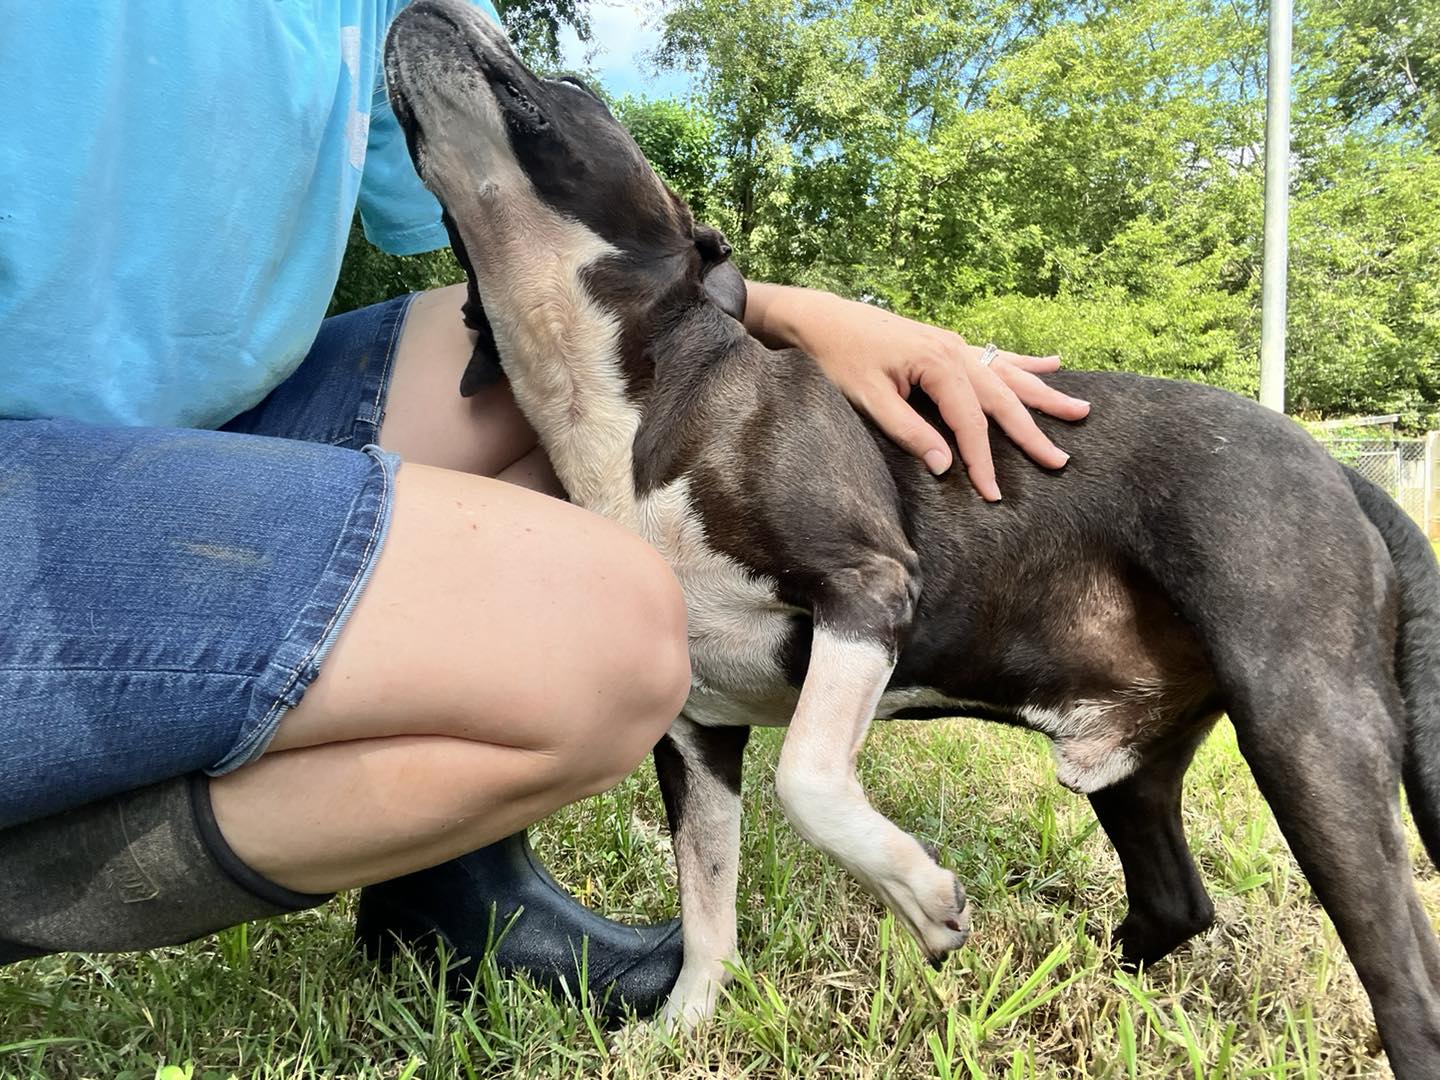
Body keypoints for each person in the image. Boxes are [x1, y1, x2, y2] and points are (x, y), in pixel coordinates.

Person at [0, 0, 1089, 1018]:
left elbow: (551, 214)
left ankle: (440, 887)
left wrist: (796, 314)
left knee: (572, 372)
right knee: (611, 637)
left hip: (203, 427)